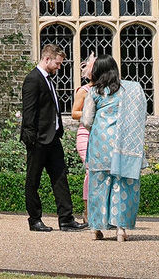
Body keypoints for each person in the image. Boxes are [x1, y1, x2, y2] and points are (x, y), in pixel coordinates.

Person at [20, 41, 84, 232]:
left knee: (60, 177)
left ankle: (66, 219)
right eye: (57, 63)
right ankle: (35, 219)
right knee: (33, 180)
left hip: (53, 138)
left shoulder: (48, 79)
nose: (59, 67)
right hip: (38, 139)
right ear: (47, 59)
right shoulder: (33, 79)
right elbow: (29, 111)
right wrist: (31, 138)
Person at [81, 54, 145, 242]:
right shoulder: (129, 89)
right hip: (124, 143)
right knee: (122, 184)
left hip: (100, 142)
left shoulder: (94, 92)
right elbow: (141, 115)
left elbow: (86, 120)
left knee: (98, 185)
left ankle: (96, 228)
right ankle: (121, 229)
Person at [69, 51, 96, 211]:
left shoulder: (105, 91)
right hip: (85, 134)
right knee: (90, 170)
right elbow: (74, 113)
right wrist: (92, 114)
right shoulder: (83, 91)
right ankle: (87, 210)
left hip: (101, 134)